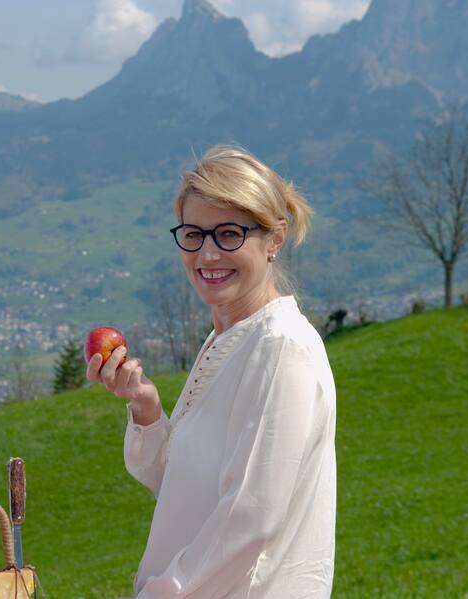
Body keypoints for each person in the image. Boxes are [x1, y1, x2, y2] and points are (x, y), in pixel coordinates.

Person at [88, 145, 336, 598]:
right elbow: (183, 489)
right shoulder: (226, 339)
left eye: (229, 234)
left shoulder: (280, 347)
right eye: (194, 234)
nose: (207, 254)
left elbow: (251, 520)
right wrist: (147, 409)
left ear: (274, 239)